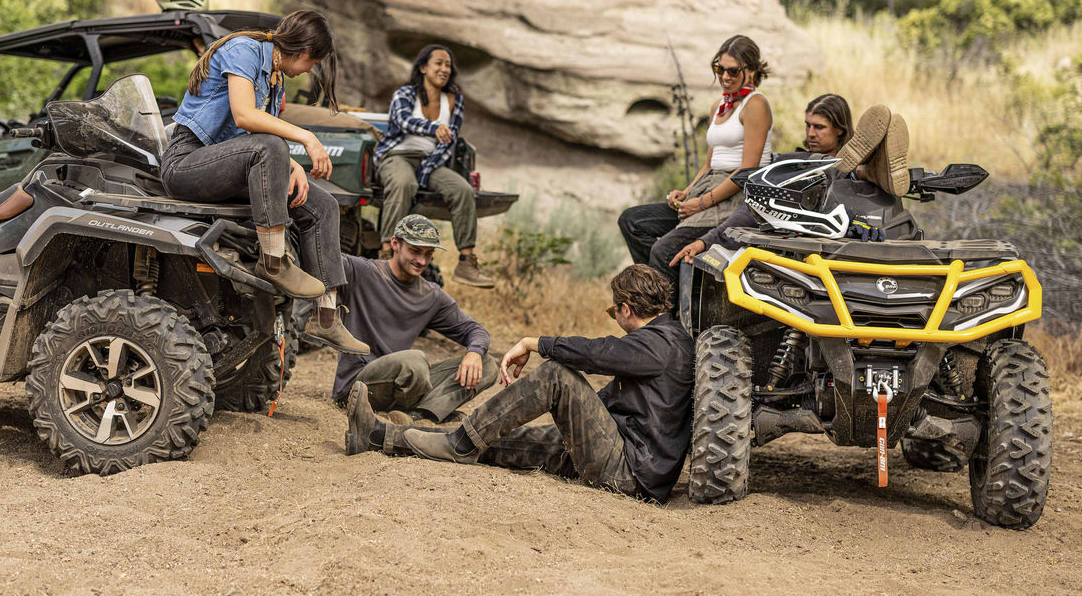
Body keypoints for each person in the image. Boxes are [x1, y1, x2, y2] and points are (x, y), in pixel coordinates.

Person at [345, 264, 695, 503]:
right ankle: (378, 436)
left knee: (557, 374)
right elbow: (608, 398)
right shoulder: (665, 339)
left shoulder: (660, 343)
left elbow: (599, 352)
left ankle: (460, 442)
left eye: (611, 312)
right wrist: (566, 414)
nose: (614, 318)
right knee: (502, 440)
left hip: (629, 474)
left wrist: (535, 343)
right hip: (626, 459)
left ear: (626, 309)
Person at [161, 9, 367, 353]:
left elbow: (252, 137)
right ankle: (274, 261)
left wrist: (292, 167)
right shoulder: (243, 50)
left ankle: (327, 317)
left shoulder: (275, 76)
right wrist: (305, 138)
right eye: (312, 63)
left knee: (323, 206)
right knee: (272, 144)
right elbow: (245, 116)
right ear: (302, 53)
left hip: (231, 164)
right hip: (187, 162)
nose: (309, 71)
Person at [618, 35, 774, 288]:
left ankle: (668, 318)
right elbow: (708, 164)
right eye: (719, 69)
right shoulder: (720, 107)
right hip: (708, 186)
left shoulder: (755, 104)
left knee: (663, 251)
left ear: (751, 71)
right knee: (632, 221)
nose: (725, 77)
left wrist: (701, 203)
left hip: (735, 194)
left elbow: (748, 169)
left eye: (733, 71)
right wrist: (685, 193)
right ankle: (655, 291)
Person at [670, 98, 903, 267]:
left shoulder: (796, 161)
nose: (811, 133)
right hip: (803, 234)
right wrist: (705, 241)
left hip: (841, 231)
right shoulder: (793, 160)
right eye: (808, 125)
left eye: (819, 127)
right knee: (813, 167)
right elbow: (752, 208)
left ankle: (867, 169)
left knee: (835, 172)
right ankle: (861, 169)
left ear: (840, 131)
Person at [331, 214, 497, 423]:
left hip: (404, 384)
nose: (422, 261)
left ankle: (421, 416)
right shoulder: (361, 271)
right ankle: (419, 413)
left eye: (428, 254)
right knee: (415, 361)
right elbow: (324, 260)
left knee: (487, 363)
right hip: (359, 386)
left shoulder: (431, 295)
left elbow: (475, 330)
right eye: (415, 251)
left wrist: (474, 352)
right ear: (395, 243)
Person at [374, 45, 494, 288]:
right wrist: (433, 128)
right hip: (398, 155)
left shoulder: (454, 100)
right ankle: (386, 252)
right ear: (423, 67)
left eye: (448, 65)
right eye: (438, 63)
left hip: (431, 160)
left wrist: (426, 173)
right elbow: (403, 121)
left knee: (462, 190)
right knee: (404, 182)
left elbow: (449, 141)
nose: (444, 69)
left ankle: (466, 263)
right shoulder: (405, 94)